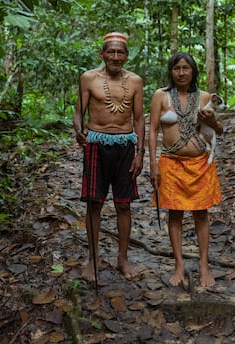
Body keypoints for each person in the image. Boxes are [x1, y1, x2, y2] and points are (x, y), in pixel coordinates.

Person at [73, 32, 145, 282]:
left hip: (125, 146)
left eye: (120, 52)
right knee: (94, 203)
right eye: (111, 52)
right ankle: (93, 259)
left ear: (126, 55)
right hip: (96, 145)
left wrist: (140, 153)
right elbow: (78, 113)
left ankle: (122, 258)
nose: (116, 57)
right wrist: (78, 131)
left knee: (123, 204)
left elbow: (139, 118)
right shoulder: (88, 78)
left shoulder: (135, 81)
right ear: (101, 54)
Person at [148, 52, 223, 288]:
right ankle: (179, 265)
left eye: (186, 68)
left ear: (193, 71)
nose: (181, 73)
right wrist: (152, 163)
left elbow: (218, 130)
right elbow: (152, 131)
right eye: (176, 68)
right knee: (175, 214)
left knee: (201, 213)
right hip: (170, 162)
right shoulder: (160, 96)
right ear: (171, 71)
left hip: (200, 163)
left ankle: (203, 265)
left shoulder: (204, 97)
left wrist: (210, 120)